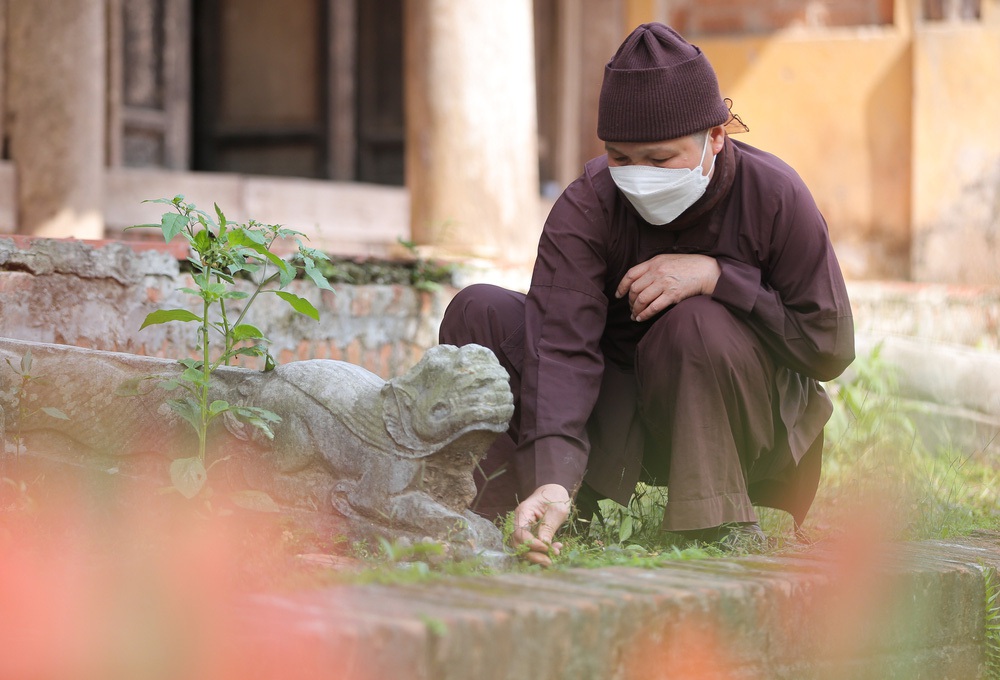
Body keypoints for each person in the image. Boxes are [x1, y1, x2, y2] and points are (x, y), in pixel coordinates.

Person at [439, 23, 855, 566]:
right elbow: (561, 346)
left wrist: (720, 278)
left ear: (716, 137)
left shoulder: (774, 195)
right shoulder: (588, 205)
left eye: (660, 160)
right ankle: (520, 507)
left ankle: (718, 520)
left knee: (694, 325)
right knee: (481, 311)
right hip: (619, 405)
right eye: (620, 158)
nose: (638, 176)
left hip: (738, 416)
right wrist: (554, 474)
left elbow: (829, 344)